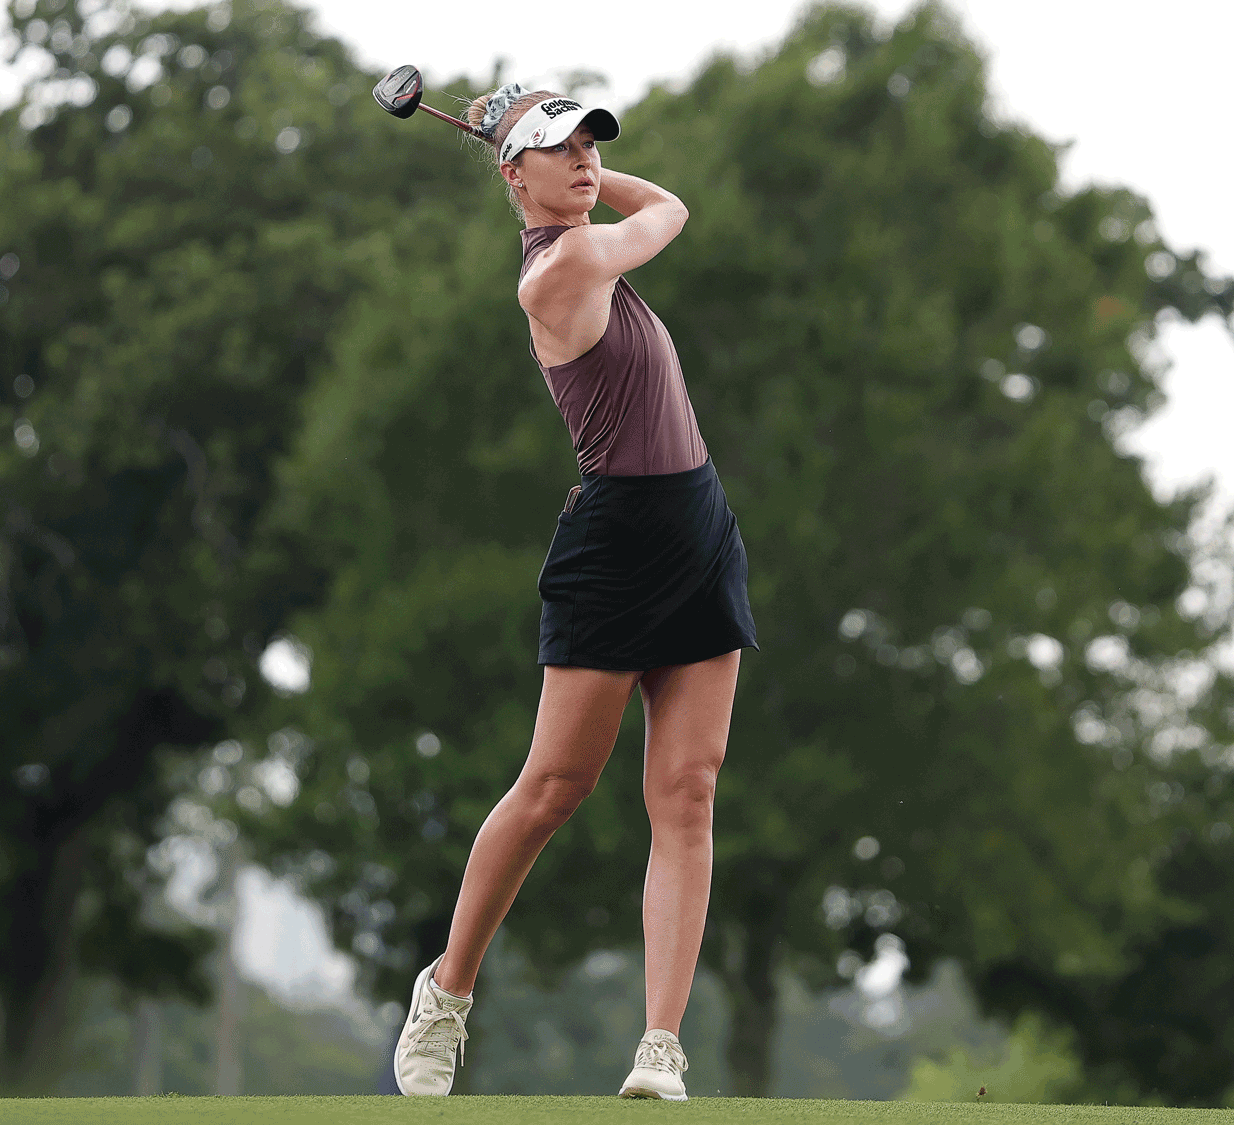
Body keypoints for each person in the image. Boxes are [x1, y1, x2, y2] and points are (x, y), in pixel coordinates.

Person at [391, 82, 758, 1102]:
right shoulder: (561, 271)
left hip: (697, 530)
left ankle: (659, 1045)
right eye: (563, 149)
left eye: (594, 144)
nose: (588, 159)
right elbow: (669, 210)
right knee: (555, 787)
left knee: (687, 791)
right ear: (514, 176)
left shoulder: (581, 228)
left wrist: (547, 159)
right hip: (615, 545)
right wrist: (541, 171)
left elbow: (652, 203)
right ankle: (446, 993)